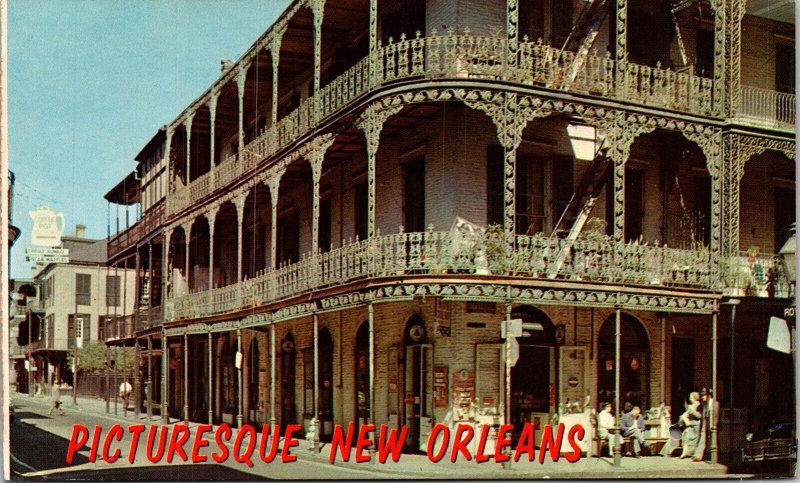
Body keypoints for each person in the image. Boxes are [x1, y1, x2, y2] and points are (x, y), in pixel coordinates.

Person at [660, 391, 701, 457]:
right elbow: (685, 415)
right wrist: (681, 420)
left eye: (691, 397)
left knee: (684, 434)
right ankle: (669, 452)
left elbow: (699, 416)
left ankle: (684, 452)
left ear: (695, 398)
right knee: (677, 435)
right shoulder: (691, 406)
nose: (690, 399)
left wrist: (688, 415)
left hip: (693, 427)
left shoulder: (698, 405)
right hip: (687, 425)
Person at [692, 388, 720, 462]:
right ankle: (698, 455)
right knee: (703, 437)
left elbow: (716, 416)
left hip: (712, 423)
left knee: (713, 439)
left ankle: (715, 455)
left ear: (709, 396)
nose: (702, 397)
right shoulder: (704, 404)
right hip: (705, 421)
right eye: (702, 395)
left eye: (704, 395)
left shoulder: (715, 403)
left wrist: (714, 425)